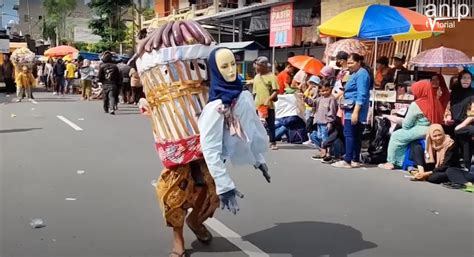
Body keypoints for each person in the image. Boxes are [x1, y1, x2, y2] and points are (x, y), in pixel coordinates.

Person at [379, 76, 450, 170]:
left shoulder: (417, 104)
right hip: (434, 129)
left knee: (396, 136)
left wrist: (395, 119)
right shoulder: (436, 101)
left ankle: (391, 162)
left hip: (421, 130)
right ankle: (402, 161)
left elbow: (407, 125)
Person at [332, 53, 371, 169]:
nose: (349, 65)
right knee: (355, 135)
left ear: (358, 62)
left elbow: (362, 94)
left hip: (354, 109)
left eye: (351, 63)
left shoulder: (362, 74)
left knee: (349, 134)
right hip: (351, 107)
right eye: (348, 63)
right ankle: (354, 158)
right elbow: (348, 89)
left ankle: (348, 160)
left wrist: (356, 112)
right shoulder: (355, 74)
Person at [304, 80, 338, 159]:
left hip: (325, 122)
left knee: (325, 139)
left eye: (326, 90)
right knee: (318, 136)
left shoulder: (331, 99)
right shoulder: (319, 98)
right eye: (322, 91)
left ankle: (328, 153)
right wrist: (306, 99)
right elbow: (312, 103)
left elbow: (332, 111)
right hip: (318, 121)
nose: (324, 92)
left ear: (330, 89)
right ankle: (323, 151)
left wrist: (330, 122)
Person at [448, 71, 474, 169]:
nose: (466, 80)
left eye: (468, 78)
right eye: (464, 77)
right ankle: (464, 165)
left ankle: (467, 165)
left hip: (468, 123)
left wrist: (459, 127)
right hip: (455, 123)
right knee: (464, 139)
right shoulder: (454, 93)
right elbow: (449, 108)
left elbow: (472, 115)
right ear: (460, 79)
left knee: (461, 132)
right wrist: (447, 117)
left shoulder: (472, 93)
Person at [253, 56, 279, 150]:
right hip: (258, 105)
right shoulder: (256, 77)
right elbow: (254, 92)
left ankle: (273, 142)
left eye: (258, 65)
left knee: (270, 124)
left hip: (269, 106)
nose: (256, 67)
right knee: (257, 124)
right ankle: (259, 142)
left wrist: (269, 99)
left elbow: (276, 90)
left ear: (263, 66)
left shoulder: (272, 77)